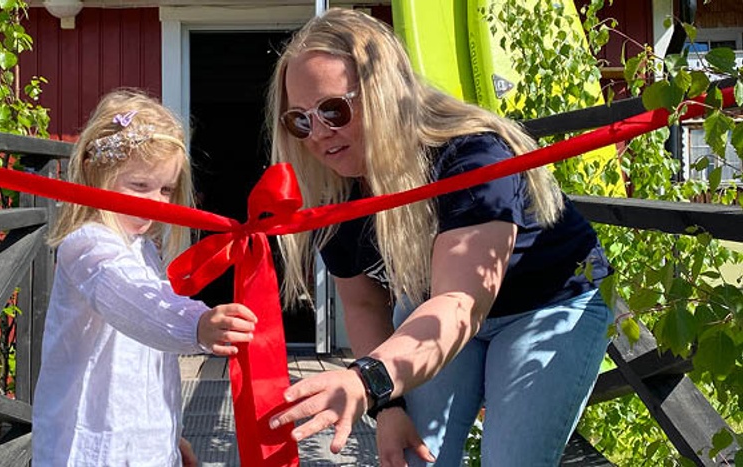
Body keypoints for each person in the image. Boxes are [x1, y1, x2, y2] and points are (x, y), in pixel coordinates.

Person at [265, 9, 612, 467]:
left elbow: (461, 303)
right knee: (412, 457)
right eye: (300, 120)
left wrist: (366, 380)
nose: (318, 134)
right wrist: (387, 406)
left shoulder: (471, 155)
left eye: (334, 109)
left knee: (511, 460)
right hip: (431, 303)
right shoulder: (333, 190)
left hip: (547, 304)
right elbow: (364, 303)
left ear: (385, 93)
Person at [32, 89, 259, 467]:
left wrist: (170, 440)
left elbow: (145, 358)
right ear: (95, 173)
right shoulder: (88, 245)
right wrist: (198, 324)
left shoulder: (141, 247)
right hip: (90, 445)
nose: (155, 201)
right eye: (139, 187)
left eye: (166, 189)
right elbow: (134, 304)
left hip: (144, 442)